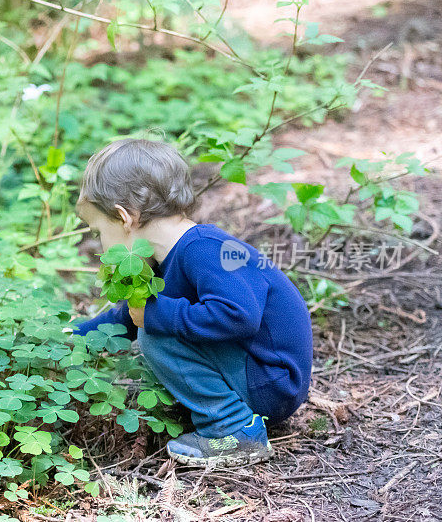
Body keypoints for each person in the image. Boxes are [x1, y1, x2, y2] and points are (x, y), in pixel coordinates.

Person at [70, 137, 313, 468]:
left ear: (124, 217)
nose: (99, 243)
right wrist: (72, 337)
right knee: (152, 326)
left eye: (98, 230)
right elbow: (131, 317)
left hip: (271, 379)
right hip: (257, 374)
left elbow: (239, 316)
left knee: (155, 333)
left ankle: (234, 430)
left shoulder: (204, 249)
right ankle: (226, 415)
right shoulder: (164, 259)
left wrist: (157, 316)